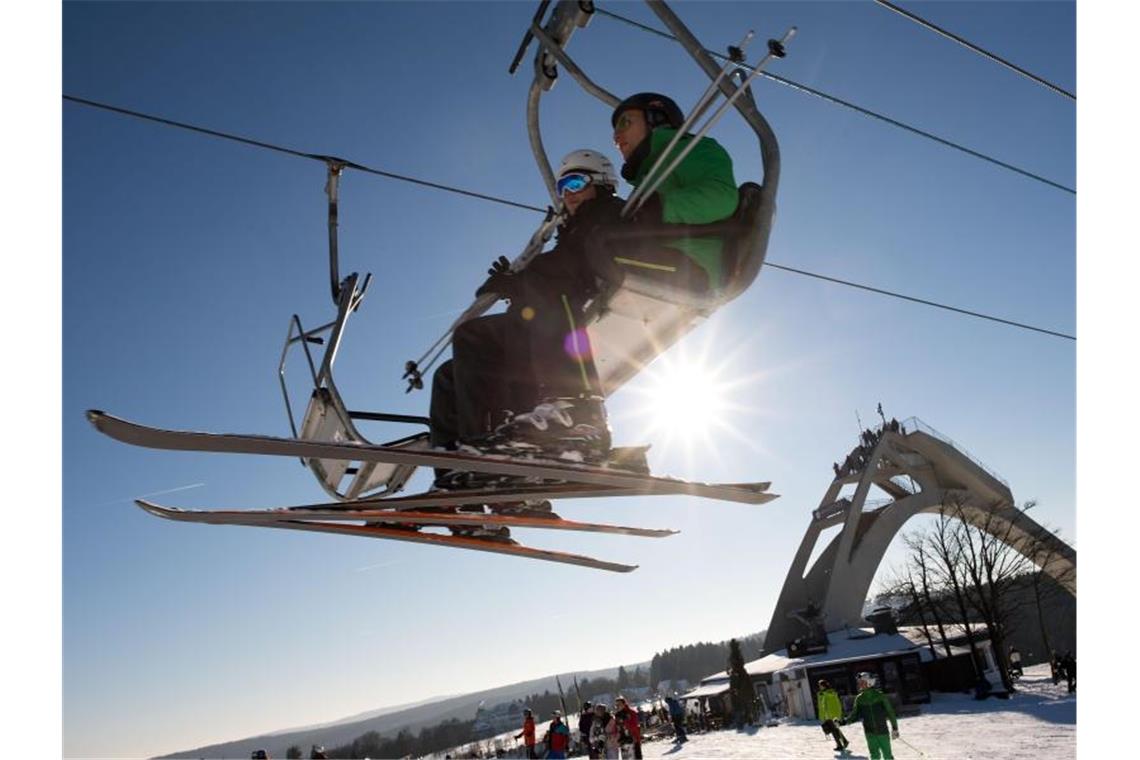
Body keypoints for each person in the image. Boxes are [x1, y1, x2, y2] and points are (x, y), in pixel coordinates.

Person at [430, 149, 625, 470]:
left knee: (479, 332)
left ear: (602, 183)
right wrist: (518, 285)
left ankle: (577, 411)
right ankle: (459, 460)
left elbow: (572, 268)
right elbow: (557, 268)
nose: (569, 194)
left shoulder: (606, 214)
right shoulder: (574, 230)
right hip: (546, 318)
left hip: (570, 314)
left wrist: (519, 281)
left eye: (576, 182)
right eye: (563, 187)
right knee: (453, 367)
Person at [842, 673, 899, 760]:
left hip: (882, 731)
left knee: (887, 755)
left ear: (869, 683)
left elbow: (890, 712)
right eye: (859, 682)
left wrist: (895, 728)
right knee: (874, 756)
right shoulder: (859, 698)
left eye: (862, 682)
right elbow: (855, 715)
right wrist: (844, 721)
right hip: (869, 733)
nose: (859, 684)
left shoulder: (880, 696)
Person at [816, 679, 849, 752]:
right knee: (835, 729)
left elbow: (832, 698)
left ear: (824, 685)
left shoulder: (831, 692)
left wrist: (824, 694)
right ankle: (844, 742)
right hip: (827, 715)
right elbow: (821, 706)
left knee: (833, 730)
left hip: (832, 714)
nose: (820, 687)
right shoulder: (821, 694)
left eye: (820, 685)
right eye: (819, 686)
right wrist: (822, 716)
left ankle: (841, 744)